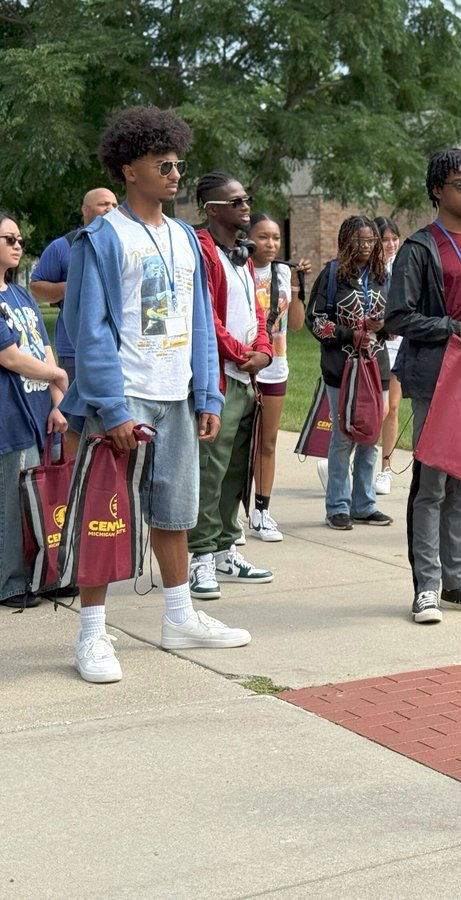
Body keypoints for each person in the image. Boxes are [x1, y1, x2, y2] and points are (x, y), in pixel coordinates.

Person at [59, 106, 251, 683]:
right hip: (122, 398)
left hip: (177, 396)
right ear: (129, 170)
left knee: (174, 514)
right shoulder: (101, 238)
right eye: (162, 164)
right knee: (104, 517)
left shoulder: (187, 239)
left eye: (177, 163)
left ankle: (179, 616)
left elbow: (199, 321)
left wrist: (208, 394)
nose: (174, 174)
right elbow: (89, 330)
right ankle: (92, 633)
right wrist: (112, 407)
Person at [384, 148, 461, 624]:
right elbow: (398, 317)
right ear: (438, 190)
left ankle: (457, 583)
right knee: (432, 484)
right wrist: (460, 326)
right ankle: (427, 589)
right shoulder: (420, 248)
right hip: (436, 377)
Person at [185, 173, 275, 600]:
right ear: (212, 209)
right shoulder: (203, 251)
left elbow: (258, 313)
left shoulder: (242, 256)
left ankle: (225, 549)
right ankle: (200, 557)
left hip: (245, 378)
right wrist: (242, 354)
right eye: (236, 201)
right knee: (210, 471)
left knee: (235, 472)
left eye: (246, 199)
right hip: (217, 380)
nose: (245, 206)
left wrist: (264, 352)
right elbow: (206, 318)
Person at [306, 215, 394, 531]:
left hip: (376, 367)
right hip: (341, 368)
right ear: (346, 241)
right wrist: (350, 333)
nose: (366, 246)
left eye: (371, 240)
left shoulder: (383, 277)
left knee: (370, 435)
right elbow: (315, 321)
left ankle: (364, 505)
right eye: (359, 240)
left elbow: (398, 320)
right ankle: (337, 507)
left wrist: (382, 326)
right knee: (343, 436)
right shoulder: (332, 276)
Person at [0, 209, 69, 610]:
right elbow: (9, 357)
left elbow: (43, 348)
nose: (17, 245)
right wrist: (58, 374)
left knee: (41, 499)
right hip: (10, 414)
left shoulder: (22, 295)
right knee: (11, 502)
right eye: (9, 239)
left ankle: (45, 574)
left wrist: (58, 402)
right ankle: (10, 582)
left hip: (41, 409)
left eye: (19, 240)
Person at [29, 188, 118, 459]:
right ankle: (73, 473)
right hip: (74, 349)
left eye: (115, 204)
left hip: (118, 350)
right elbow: (36, 287)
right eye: (103, 204)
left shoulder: (124, 242)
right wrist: (79, 285)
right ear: (85, 210)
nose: (110, 209)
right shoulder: (64, 246)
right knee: (74, 420)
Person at [245, 212, 310, 540]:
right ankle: (228, 517)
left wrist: (297, 288)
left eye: (275, 238)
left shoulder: (283, 272)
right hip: (243, 367)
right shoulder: (238, 268)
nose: (271, 244)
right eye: (263, 237)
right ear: (248, 238)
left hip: (275, 368)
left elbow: (295, 325)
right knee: (238, 444)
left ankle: (261, 512)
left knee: (267, 442)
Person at [374, 215, 403, 496]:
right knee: (373, 408)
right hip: (373, 343)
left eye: (395, 238)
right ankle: (350, 461)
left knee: (391, 408)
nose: (391, 244)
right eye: (385, 240)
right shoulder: (368, 270)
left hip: (398, 344)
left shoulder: (403, 266)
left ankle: (386, 469)